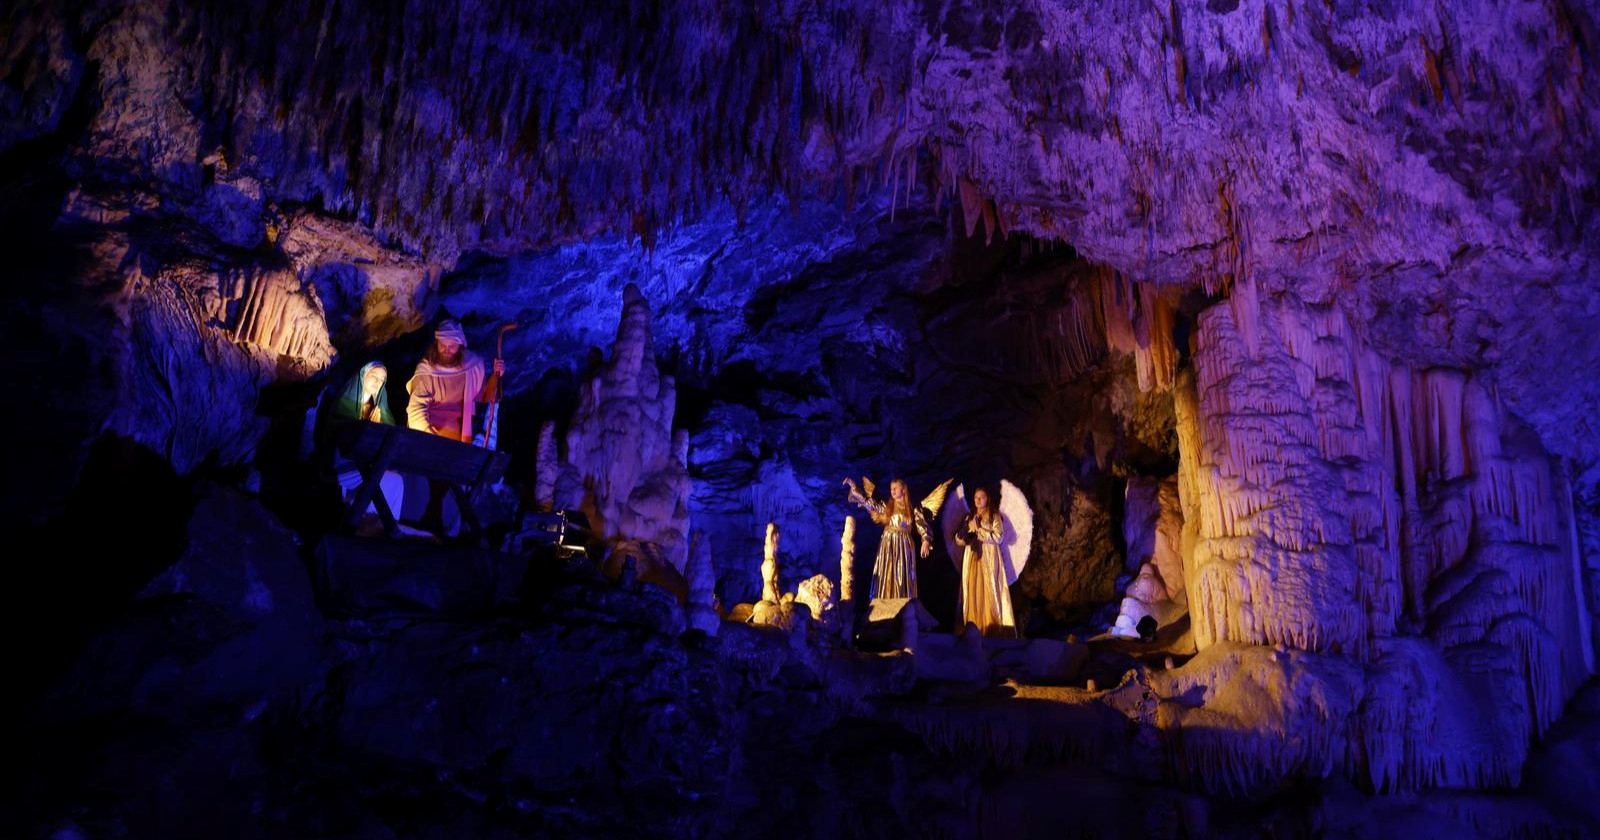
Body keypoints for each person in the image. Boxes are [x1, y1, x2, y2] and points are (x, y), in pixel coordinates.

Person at [319, 361, 403, 532]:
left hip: (369, 464)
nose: (377, 382)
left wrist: (378, 428)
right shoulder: (345, 404)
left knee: (397, 481)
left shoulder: (381, 410)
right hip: (343, 462)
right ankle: (361, 524)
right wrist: (367, 427)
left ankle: (384, 528)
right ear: (363, 376)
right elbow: (340, 434)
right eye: (374, 376)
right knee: (381, 478)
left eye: (382, 379)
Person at [406, 320, 503, 444]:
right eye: (442, 345)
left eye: (451, 346)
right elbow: (416, 408)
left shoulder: (472, 366)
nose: (446, 350)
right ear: (436, 344)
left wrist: (496, 376)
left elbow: (484, 398)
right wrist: (427, 436)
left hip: (463, 431)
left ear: (460, 346)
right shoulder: (426, 371)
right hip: (430, 431)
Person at [844, 477, 939, 599]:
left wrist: (926, 540)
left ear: (903, 490)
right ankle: (884, 599)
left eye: (895, 488)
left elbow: (921, 524)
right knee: (887, 570)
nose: (892, 491)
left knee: (901, 572)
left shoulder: (912, 509)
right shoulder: (888, 507)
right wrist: (855, 489)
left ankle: (902, 600)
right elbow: (872, 505)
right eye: (891, 489)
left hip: (903, 545)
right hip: (888, 543)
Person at [953, 486, 1017, 637]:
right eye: (976, 497)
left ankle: (992, 629)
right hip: (972, 559)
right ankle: (973, 629)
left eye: (981, 497)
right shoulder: (969, 517)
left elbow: (998, 537)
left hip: (989, 559)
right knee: (973, 591)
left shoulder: (994, 516)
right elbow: (958, 539)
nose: (978, 500)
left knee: (989, 591)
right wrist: (966, 534)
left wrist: (979, 529)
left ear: (987, 499)